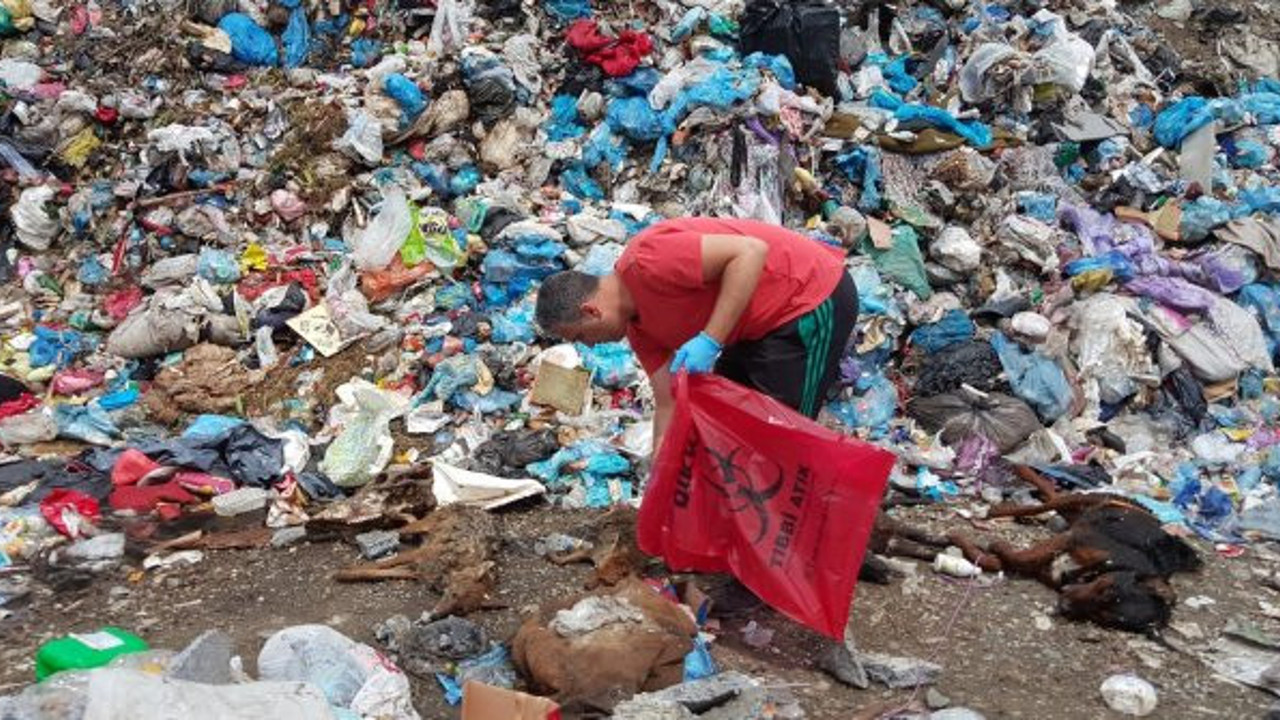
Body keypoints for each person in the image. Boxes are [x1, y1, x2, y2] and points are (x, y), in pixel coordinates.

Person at [536, 216, 857, 453]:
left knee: (780, 437)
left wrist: (710, 340)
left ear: (592, 311)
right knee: (725, 424)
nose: (588, 345)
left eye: (580, 336)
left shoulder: (649, 259)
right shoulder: (640, 330)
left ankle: (810, 531)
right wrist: (660, 463)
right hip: (752, 328)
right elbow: (667, 402)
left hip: (808, 297)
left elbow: (750, 252)